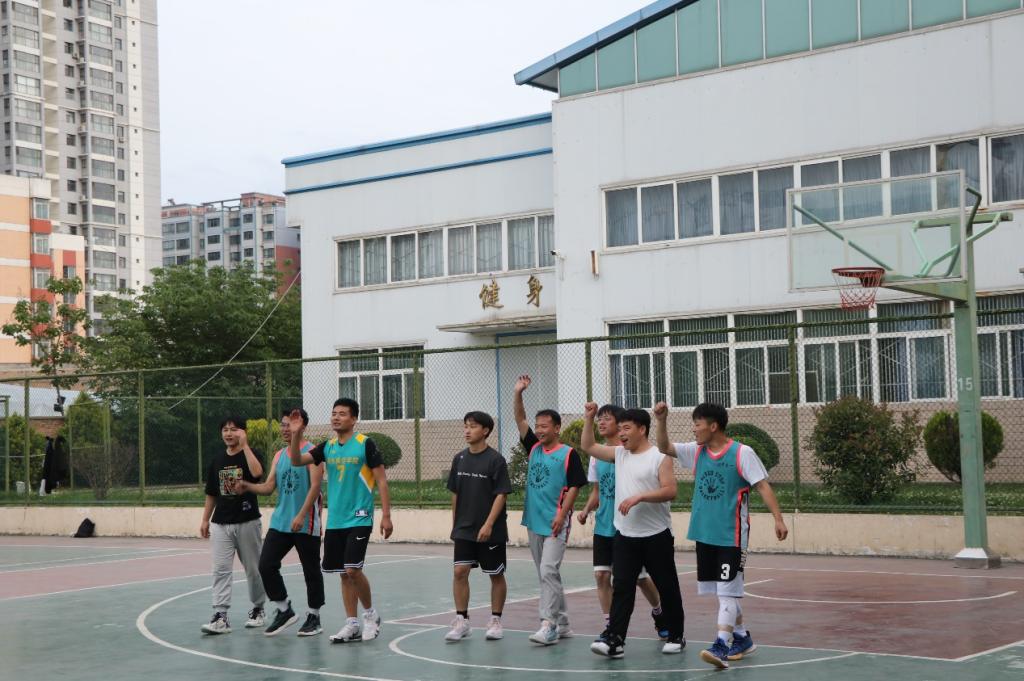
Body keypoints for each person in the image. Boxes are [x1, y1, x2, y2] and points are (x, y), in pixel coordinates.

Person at [654, 402, 788, 670]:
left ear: (713, 426)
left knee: (728, 591)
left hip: (732, 536)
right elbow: (664, 447)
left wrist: (778, 518)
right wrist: (661, 420)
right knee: (724, 591)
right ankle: (742, 637)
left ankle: (722, 645)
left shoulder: (742, 453)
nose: (694, 430)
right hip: (705, 534)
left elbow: (762, 485)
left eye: (697, 424)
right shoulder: (697, 451)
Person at [580, 404, 685, 659]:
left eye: (626, 428)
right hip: (625, 535)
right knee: (622, 587)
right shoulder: (619, 454)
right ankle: (615, 639)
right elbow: (588, 446)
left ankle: (676, 635)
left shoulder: (659, 456)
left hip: (656, 535)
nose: (622, 433)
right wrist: (589, 418)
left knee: (667, 586)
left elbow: (670, 490)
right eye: (620, 428)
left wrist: (640, 497)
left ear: (642, 429)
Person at [286, 399, 393, 644]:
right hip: (336, 520)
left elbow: (382, 481)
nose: (336, 417)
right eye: (334, 413)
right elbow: (296, 460)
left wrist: (386, 516)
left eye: (342, 414)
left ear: (354, 419)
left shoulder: (365, 444)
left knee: (353, 569)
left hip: (360, 517)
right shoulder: (328, 447)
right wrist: (296, 434)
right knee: (344, 574)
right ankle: (352, 623)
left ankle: (370, 615)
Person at [231, 408, 325, 637]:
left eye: (289, 424)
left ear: (302, 426)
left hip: (305, 521)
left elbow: (315, 487)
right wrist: (247, 486)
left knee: (311, 570)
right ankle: (284, 609)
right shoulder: (279, 455)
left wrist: (301, 515)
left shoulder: (312, 452)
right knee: (265, 564)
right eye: (282, 424)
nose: (285, 429)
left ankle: (314, 616)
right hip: (281, 521)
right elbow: (268, 487)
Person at [512, 375, 588, 646]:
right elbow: (519, 419)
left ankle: (549, 624)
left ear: (557, 428)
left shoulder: (568, 454)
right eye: (538, 426)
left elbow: (575, 486)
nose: (539, 430)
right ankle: (563, 623)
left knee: (548, 571)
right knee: (546, 574)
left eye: (545, 426)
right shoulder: (533, 448)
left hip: (556, 522)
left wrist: (562, 514)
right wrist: (518, 392)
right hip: (534, 521)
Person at [443, 411, 512, 643]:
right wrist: (455, 524)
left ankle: (495, 620)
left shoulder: (496, 460)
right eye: (465, 426)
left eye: (472, 426)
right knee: (459, 572)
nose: (467, 430)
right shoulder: (459, 458)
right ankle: (462, 620)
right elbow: (455, 493)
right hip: (464, 528)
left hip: (490, 529)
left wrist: (489, 524)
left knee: (496, 574)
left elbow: (501, 494)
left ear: (485, 430)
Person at [199, 415, 267, 635]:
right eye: (225, 429)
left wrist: (245, 447)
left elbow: (257, 474)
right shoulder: (217, 460)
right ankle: (221, 616)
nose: (229, 433)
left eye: (234, 429)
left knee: (253, 569)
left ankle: (258, 609)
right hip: (221, 524)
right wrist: (205, 519)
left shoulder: (251, 454)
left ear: (243, 432)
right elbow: (211, 493)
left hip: (247, 522)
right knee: (220, 570)